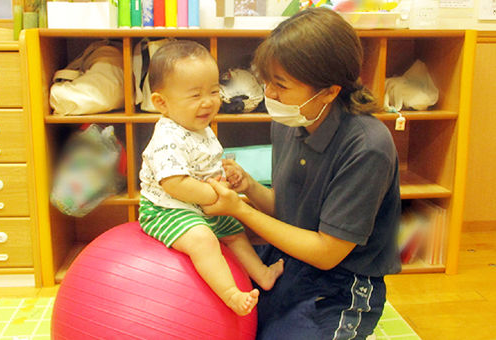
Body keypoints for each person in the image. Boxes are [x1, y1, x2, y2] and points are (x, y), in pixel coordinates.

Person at [202, 8, 402, 339]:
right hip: (291, 259)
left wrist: (238, 210)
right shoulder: (293, 120)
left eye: (281, 85)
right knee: (219, 300)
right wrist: (249, 187)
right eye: (267, 81)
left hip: (342, 283)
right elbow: (289, 208)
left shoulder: (367, 147)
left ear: (330, 91)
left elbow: (326, 253)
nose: (270, 94)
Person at [138, 40, 284, 317]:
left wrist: (229, 173)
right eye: (195, 96)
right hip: (167, 209)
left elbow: (205, 164)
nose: (208, 101)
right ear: (162, 103)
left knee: (234, 232)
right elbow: (174, 183)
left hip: (200, 203)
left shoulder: (199, 127)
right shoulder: (167, 137)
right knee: (204, 239)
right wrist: (215, 196)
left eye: (214, 91)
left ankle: (262, 275)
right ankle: (230, 294)